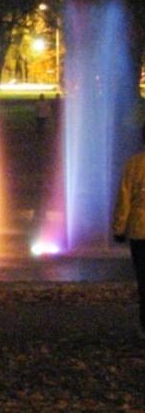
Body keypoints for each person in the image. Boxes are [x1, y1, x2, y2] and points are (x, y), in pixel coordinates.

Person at [112, 121, 145, 339]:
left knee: (143, 280)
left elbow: (124, 200)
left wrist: (118, 229)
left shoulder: (134, 165)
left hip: (140, 232)